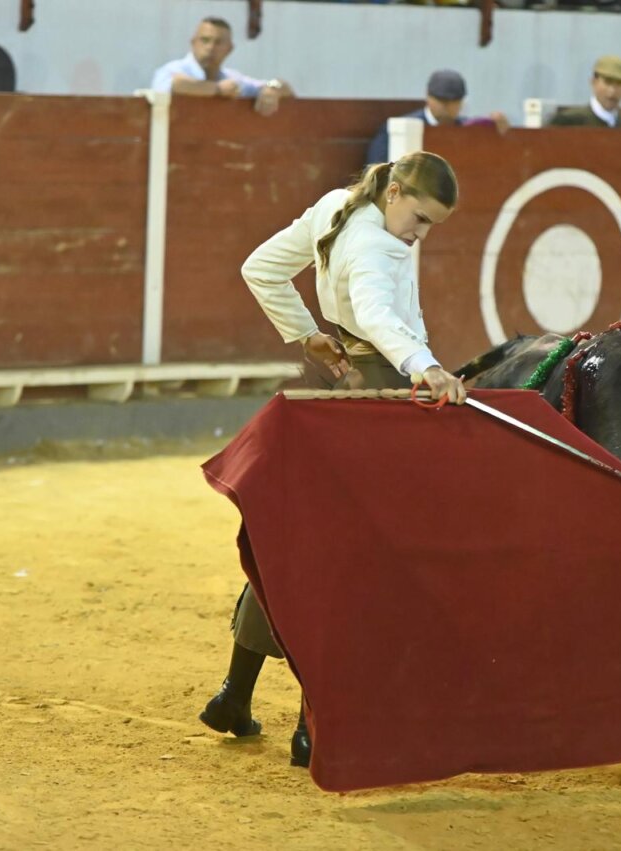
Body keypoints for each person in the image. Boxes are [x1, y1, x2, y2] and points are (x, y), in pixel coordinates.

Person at [200, 152, 466, 767]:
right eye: (420, 220)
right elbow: (375, 313)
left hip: (338, 385)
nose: (420, 236)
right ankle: (308, 727)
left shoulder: (335, 209)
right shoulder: (377, 246)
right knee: (356, 561)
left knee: (296, 544)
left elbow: (260, 269)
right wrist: (424, 366)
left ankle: (234, 694)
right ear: (395, 192)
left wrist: (306, 333)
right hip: (377, 394)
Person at [150, 17, 292, 116]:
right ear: (193, 43)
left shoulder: (232, 79)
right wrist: (217, 89)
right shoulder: (172, 70)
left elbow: (284, 88)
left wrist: (272, 89)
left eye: (218, 42)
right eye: (205, 40)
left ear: (229, 49)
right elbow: (175, 84)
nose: (210, 47)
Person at [365, 69, 509, 165]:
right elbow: (376, 169)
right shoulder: (397, 128)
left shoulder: (470, 128)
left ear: (461, 102)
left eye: (453, 101)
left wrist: (497, 126)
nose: (446, 106)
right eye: (441, 100)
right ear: (428, 96)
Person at [549, 56, 621, 137]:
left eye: (620, 84)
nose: (613, 90)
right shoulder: (568, 121)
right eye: (608, 82)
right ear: (594, 82)